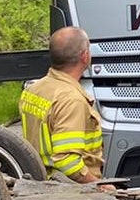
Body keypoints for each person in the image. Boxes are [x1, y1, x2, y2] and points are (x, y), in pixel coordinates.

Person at [19, 27, 106, 184]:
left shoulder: (33, 89)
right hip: (70, 192)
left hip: (40, 183)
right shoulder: (71, 100)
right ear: (85, 56)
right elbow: (66, 160)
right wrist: (100, 186)